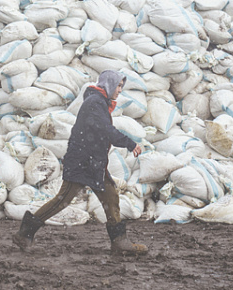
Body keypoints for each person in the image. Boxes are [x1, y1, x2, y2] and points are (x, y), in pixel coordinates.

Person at [13, 70, 148, 256]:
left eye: (121, 86)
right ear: (108, 85)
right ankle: (25, 233)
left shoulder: (100, 102)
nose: (119, 90)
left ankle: (119, 241)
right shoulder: (95, 103)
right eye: (117, 86)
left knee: (110, 195)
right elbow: (105, 129)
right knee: (62, 201)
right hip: (82, 161)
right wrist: (130, 143)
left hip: (93, 161)